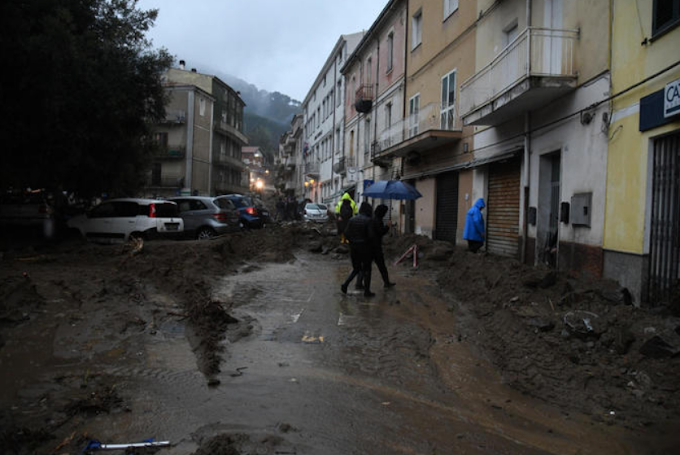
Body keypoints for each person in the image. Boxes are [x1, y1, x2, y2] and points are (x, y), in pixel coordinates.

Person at [341, 202, 375, 297]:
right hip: (365, 248)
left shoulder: (352, 220)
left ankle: (345, 284)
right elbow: (371, 236)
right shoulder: (369, 221)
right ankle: (367, 291)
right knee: (367, 269)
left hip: (354, 248)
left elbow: (346, 233)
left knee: (356, 269)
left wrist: (352, 241)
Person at [371, 204, 396, 288]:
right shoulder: (377, 220)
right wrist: (387, 226)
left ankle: (359, 283)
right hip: (376, 246)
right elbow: (380, 232)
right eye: (385, 212)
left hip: (371, 246)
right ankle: (386, 282)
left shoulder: (374, 218)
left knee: (366, 266)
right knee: (381, 266)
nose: (385, 214)